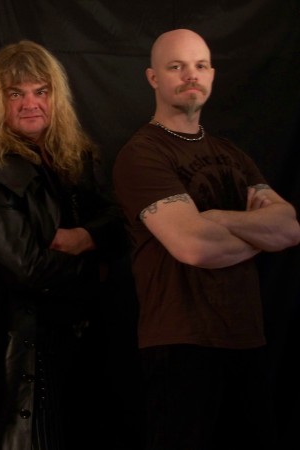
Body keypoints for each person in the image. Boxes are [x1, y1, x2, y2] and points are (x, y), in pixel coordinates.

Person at [112, 28, 300, 450]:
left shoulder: (232, 154)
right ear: (153, 77)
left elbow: (290, 228)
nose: (190, 75)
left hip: (247, 338)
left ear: (212, 74)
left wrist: (215, 218)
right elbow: (194, 247)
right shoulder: (143, 153)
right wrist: (259, 231)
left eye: (200, 65)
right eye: (176, 67)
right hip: (181, 344)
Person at [0, 40, 136, 450]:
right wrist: (98, 268)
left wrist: (85, 236)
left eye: (41, 91)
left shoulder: (72, 159)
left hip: (85, 344)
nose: (30, 104)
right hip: (23, 352)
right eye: (16, 94)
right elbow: (27, 268)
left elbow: (120, 222)